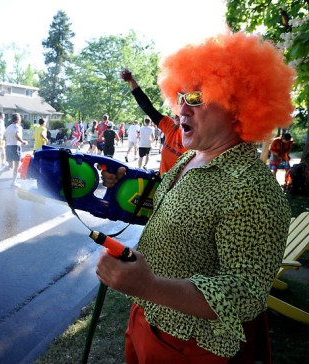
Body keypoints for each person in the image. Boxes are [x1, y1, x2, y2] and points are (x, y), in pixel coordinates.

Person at [96, 32, 294, 363]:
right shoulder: (193, 157)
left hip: (190, 345)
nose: (181, 108)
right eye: (180, 96)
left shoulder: (252, 188)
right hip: (146, 319)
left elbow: (246, 294)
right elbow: (168, 209)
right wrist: (122, 186)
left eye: (196, 98)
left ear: (236, 107)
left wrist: (149, 286)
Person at [121, 71, 188, 174]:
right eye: (179, 104)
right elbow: (147, 108)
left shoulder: (197, 140)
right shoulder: (170, 126)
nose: (179, 111)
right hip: (162, 185)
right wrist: (132, 81)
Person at [0, 113, 28, 187]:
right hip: (15, 146)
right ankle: (14, 182)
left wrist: (9, 141)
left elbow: (4, 137)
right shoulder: (18, 127)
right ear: (17, 119)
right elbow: (17, 135)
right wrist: (23, 141)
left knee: (10, 166)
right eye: (20, 118)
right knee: (16, 165)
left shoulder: (8, 127)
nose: (20, 119)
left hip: (8, 147)